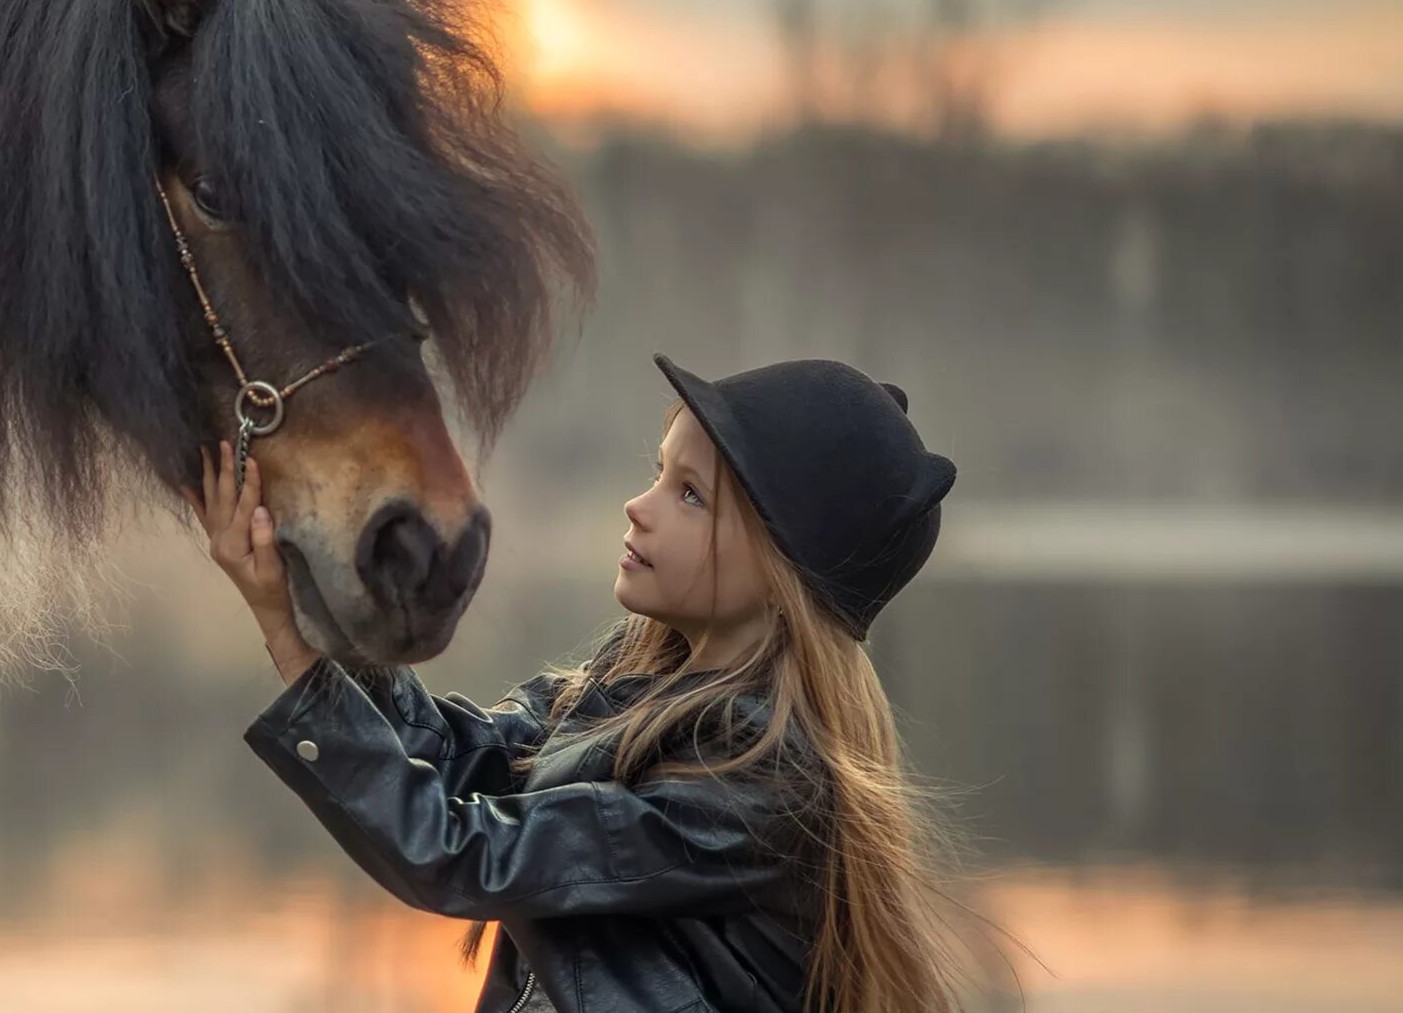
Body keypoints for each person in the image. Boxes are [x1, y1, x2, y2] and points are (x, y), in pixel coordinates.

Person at [185, 352, 972, 1012]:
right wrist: (302, 590)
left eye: (690, 495)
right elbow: (461, 759)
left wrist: (291, 641)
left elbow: (462, 850)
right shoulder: (611, 697)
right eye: (659, 474)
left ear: (783, 571)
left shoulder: (762, 778)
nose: (639, 506)